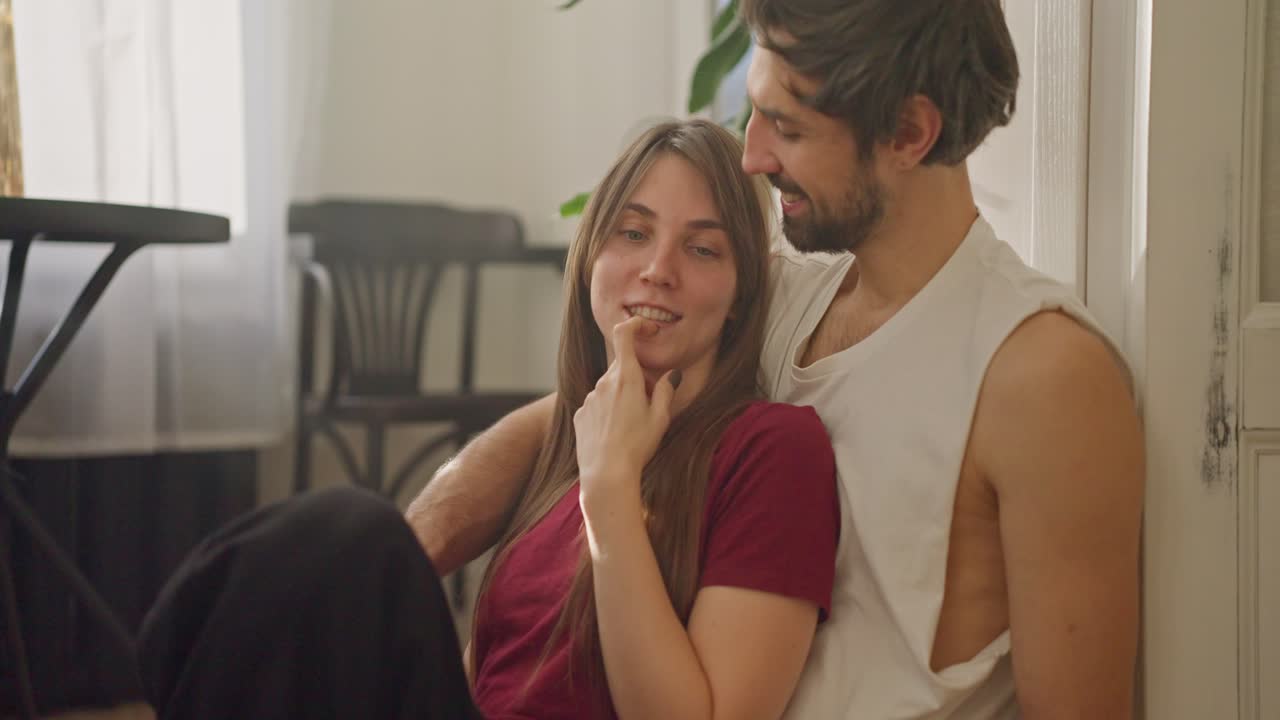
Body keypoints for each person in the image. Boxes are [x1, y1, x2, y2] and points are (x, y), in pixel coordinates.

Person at [406, 1, 1146, 718]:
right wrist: (416, 547)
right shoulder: (779, 294)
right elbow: (580, 414)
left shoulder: (1041, 375)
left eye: (786, 126)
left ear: (910, 132)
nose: (754, 156)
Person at [137, 119, 840, 720]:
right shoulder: (565, 439)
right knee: (318, 550)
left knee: (353, 534)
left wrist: (610, 495)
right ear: (591, 256)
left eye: (702, 248)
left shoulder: (773, 448)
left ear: (743, 296)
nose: (657, 268)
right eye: (632, 232)